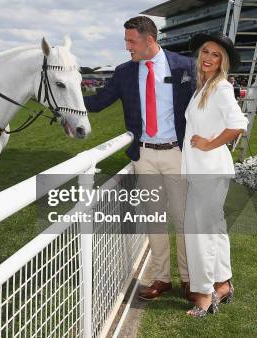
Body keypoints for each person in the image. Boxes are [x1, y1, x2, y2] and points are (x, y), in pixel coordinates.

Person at [83, 16, 196, 301]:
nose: (127, 47)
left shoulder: (184, 66)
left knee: (184, 221)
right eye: (126, 41)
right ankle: (161, 278)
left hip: (178, 154)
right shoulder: (124, 72)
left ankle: (189, 278)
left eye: (131, 41)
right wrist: (61, 98)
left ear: (149, 40)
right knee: (155, 219)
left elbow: (204, 103)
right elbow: (97, 103)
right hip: (144, 155)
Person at [183, 33, 248, 318]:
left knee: (200, 233)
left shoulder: (221, 87)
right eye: (206, 52)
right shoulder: (204, 87)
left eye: (216, 55)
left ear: (223, 62)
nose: (208, 58)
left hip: (210, 172)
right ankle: (223, 285)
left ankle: (205, 295)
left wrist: (209, 143)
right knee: (214, 231)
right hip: (203, 172)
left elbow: (238, 124)